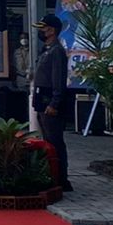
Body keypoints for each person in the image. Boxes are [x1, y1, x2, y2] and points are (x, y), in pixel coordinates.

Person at [32, 13, 73, 192]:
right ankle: (51, 173)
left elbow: (58, 79)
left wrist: (55, 103)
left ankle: (61, 178)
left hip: (50, 100)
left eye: (44, 28)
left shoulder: (56, 51)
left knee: (55, 141)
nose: (41, 31)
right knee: (47, 140)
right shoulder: (46, 49)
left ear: (52, 30)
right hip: (42, 98)